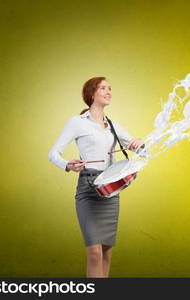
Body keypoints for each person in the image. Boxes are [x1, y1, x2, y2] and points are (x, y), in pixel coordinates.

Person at [48, 77, 144, 278]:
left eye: (110, 88)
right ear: (92, 93)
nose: (108, 91)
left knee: (107, 251)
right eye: (103, 88)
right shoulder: (77, 122)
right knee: (94, 252)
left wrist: (139, 145)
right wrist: (67, 165)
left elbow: (142, 152)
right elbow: (53, 154)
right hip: (88, 188)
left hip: (110, 189)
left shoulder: (113, 125)